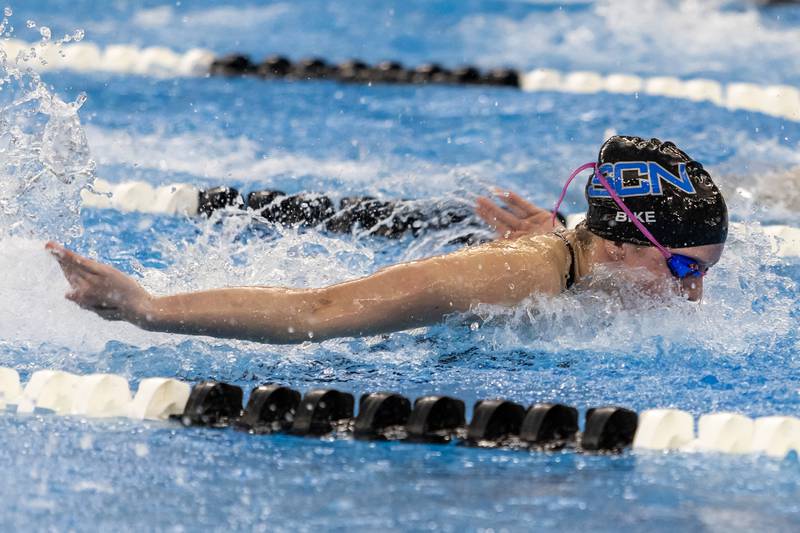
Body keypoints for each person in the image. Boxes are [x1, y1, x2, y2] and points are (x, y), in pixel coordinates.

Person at [47, 136, 728, 344]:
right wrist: (151, 308)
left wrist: (554, 236)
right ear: (618, 242)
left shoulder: (583, 252)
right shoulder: (519, 277)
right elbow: (318, 312)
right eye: (679, 266)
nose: (691, 293)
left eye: (700, 272)